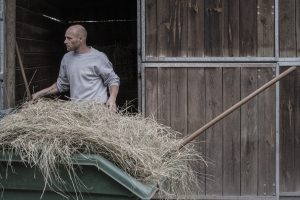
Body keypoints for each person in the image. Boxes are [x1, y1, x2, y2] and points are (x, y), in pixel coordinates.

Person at [31, 25, 120, 111]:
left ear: (80, 39)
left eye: (69, 38)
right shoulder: (66, 58)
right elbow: (61, 85)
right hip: (76, 111)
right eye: (65, 38)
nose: (65, 41)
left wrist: (112, 99)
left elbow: (113, 80)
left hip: (97, 110)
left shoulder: (99, 57)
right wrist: (39, 94)